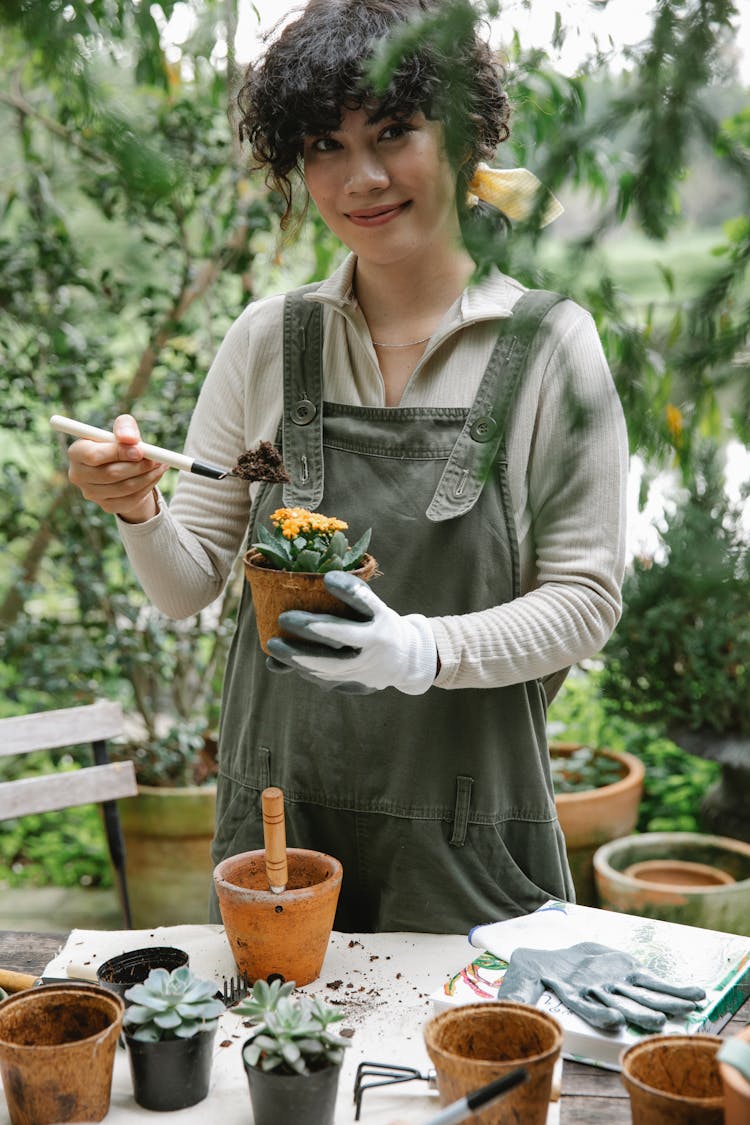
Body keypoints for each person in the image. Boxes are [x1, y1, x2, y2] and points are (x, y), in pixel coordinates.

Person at [66, 0, 628, 933]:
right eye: (324, 144)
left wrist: (421, 651)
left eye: (396, 132)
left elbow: (584, 598)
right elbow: (189, 584)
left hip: (470, 834)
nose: (360, 177)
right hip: (280, 824)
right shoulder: (266, 340)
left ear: (467, 140)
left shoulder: (552, 346)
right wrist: (138, 507)